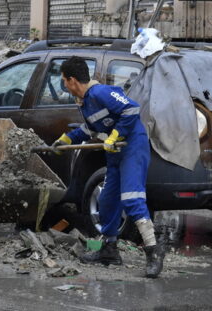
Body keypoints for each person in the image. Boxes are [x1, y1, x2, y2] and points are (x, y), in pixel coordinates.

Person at [51, 56, 165, 278]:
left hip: (131, 146)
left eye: (64, 80)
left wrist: (115, 135)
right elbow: (90, 129)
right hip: (115, 152)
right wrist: (66, 139)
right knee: (107, 199)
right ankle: (110, 250)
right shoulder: (86, 102)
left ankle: (153, 251)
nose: (64, 85)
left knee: (132, 198)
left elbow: (131, 109)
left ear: (72, 80)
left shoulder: (100, 93)